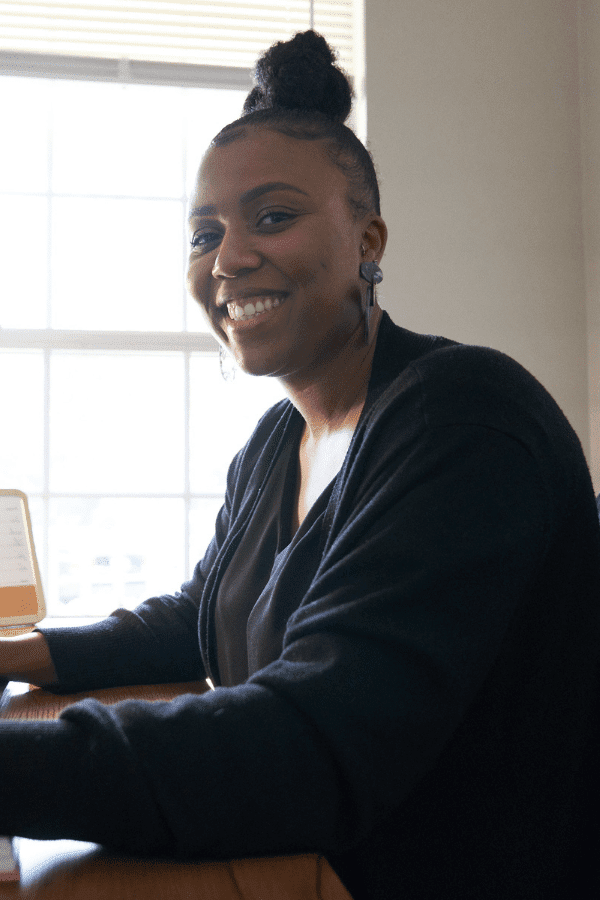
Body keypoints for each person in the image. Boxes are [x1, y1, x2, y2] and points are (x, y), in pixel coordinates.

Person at [1, 30, 600, 900]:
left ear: (369, 237)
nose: (229, 259)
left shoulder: (465, 418)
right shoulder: (275, 446)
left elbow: (311, 744)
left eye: (272, 218)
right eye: (204, 233)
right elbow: (200, 611)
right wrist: (21, 654)